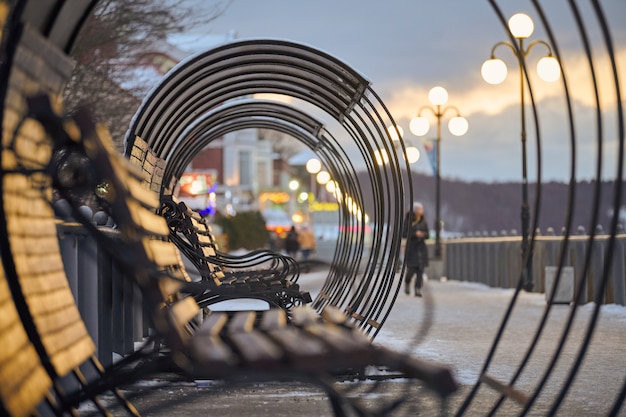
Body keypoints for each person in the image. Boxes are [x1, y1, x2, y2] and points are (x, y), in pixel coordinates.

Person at [403, 202, 430, 297]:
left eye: (421, 209)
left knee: (420, 270)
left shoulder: (423, 221)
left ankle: (417, 289)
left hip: (421, 248)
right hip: (412, 248)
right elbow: (404, 234)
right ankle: (407, 282)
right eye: (419, 209)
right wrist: (415, 234)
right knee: (411, 269)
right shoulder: (408, 220)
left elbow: (428, 235)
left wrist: (422, 235)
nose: (421, 211)